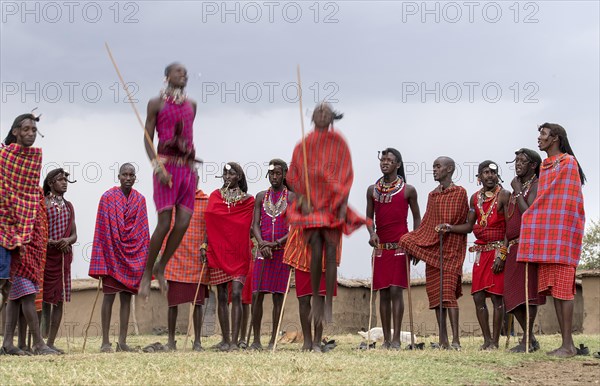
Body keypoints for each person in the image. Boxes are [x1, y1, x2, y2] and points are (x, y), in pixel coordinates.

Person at [286, 102, 366, 329]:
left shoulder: (339, 142)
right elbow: (294, 176)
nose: (321, 113)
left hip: (332, 204)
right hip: (312, 206)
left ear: (332, 119)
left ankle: (327, 302)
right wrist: (302, 199)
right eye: (317, 111)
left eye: (326, 111)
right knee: (315, 246)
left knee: (330, 248)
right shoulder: (303, 144)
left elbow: (347, 173)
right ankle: (316, 297)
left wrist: (341, 205)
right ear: (311, 118)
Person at [517, 123, 586, 358]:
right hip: (548, 237)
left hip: (563, 236)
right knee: (557, 291)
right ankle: (566, 344)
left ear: (555, 138)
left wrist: (533, 216)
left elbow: (566, 201)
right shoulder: (545, 167)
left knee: (565, 291)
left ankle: (568, 346)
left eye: (543, 135)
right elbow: (542, 202)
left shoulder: (568, 163)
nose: (539, 138)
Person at [139, 62, 199, 298]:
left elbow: (189, 138)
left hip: (187, 169)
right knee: (164, 223)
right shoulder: (156, 104)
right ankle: (147, 273)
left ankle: (161, 266)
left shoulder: (192, 105)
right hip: (165, 167)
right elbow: (147, 138)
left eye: (185, 72)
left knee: (183, 222)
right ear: (166, 77)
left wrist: (192, 167)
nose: (183, 74)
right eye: (178, 71)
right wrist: (157, 167)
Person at [1, 113, 57, 355]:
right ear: (15, 132)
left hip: (28, 238)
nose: (30, 133)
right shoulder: (3, 158)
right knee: (21, 291)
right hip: (5, 231)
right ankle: (38, 343)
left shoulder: (32, 163)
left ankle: (7, 343)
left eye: (34, 130)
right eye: (25, 129)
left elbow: (26, 198)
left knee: (15, 293)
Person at [400, 156, 469, 350]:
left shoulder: (460, 193)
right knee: (436, 298)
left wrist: (447, 227)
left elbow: (458, 221)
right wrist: (417, 246)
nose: (434, 170)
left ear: (450, 169)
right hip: (433, 249)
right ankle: (443, 340)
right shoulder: (432, 195)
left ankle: (456, 340)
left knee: (448, 295)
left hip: (451, 250)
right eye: (433, 167)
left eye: (438, 166)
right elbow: (427, 225)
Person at [448, 161, 510, 350]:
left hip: (498, 250)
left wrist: (503, 254)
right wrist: (450, 228)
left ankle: (496, 342)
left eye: (493, 172)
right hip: (481, 253)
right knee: (478, 297)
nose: (490, 176)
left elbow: (510, 228)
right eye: (486, 172)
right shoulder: (474, 198)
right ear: (479, 177)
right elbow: (469, 225)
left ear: (497, 175)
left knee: (498, 298)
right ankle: (487, 340)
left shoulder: (505, 195)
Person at [89, 163, 150, 352]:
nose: (129, 177)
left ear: (135, 177)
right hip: (111, 256)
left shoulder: (140, 200)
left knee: (126, 299)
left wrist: (142, 258)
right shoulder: (107, 198)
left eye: (132, 174)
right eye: (125, 174)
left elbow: (143, 231)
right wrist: (104, 256)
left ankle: (122, 342)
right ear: (119, 176)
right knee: (108, 297)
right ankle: (105, 342)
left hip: (131, 258)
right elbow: (101, 230)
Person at [366, 148, 420, 349]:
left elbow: (416, 217)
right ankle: (387, 339)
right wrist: (372, 233)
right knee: (383, 292)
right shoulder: (372, 190)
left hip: (400, 246)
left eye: (389, 160)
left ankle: (397, 338)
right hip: (381, 247)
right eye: (383, 159)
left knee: (396, 290)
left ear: (398, 164)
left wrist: (414, 242)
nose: (384, 162)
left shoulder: (408, 190)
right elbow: (368, 218)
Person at [205, 162, 254, 351]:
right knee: (222, 295)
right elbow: (209, 221)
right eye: (225, 174)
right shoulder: (215, 196)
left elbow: (250, 226)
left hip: (239, 253)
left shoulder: (248, 201)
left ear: (239, 177)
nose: (227, 177)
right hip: (218, 252)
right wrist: (204, 244)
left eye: (232, 174)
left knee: (236, 293)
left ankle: (235, 341)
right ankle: (225, 340)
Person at [249, 159, 295, 350]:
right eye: (271, 174)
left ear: (285, 174)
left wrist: (275, 243)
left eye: (278, 173)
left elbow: (294, 228)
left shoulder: (292, 198)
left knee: (278, 297)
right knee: (257, 295)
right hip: (263, 252)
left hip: (282, 252)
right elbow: (254, 225)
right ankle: (256, 340)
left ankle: (273, 340)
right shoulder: (261, 196)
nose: (274, 177)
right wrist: (261, 243)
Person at [504, 148, 546, 353]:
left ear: (533, 165)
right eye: (516, 160)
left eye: (522, 161)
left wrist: (518, 190)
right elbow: (508, 223)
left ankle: (527, 340)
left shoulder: (536, 185)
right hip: (512, 247)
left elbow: (528, 213)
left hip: (527, 245)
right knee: (511, 296)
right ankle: (530, 338)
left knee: (527, 295)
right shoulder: (515, 190)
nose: (517, 164)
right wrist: (502, 252)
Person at [163, 186, 210, 352]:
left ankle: (197, 341)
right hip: (176, 257)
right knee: (172, 303)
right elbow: (166, 227)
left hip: (197, 258)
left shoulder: (205, 201)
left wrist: (205, 245)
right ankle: (170, 340)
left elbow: (209, 227)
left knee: (197, 302)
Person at [283, 225, 339, 352]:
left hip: (323, 256)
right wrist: (289, 254)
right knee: (303, 299)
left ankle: (317, 342)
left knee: (319, 299)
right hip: (301, 255)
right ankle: (307, 342)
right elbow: (294, 229)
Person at [41, 168, 77, 354]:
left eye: (66, 180)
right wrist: (53, 242)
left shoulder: (69, 206)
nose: (64, 182)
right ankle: (38, 342)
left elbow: (74, 234)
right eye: (60, 180)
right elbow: (38, 233)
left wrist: (67, 241)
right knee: (42, 300)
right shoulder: (43, 204)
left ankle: (51, 342)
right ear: (50, 183)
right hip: (46, 259)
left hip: (63, 259)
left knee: (59, 300)